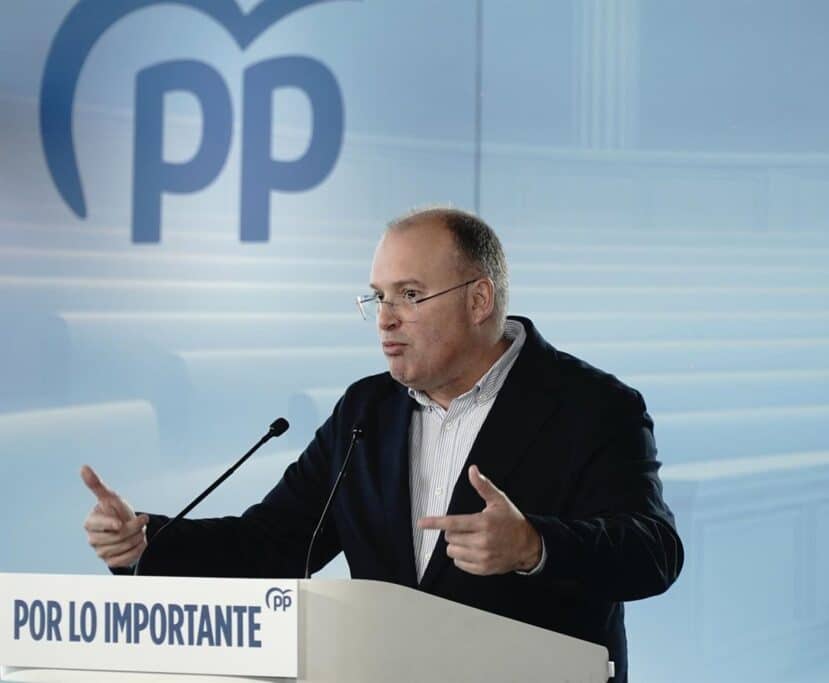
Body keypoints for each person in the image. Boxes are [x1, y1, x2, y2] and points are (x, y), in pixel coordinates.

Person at [81, 207, 683, 681]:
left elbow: (653, 551)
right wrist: (145, 542)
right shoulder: (366, 410)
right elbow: (272, 543)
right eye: (379, 296)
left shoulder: (591, 404)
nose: (386, 318)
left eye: (410, 294)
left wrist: (533, 545)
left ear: (479, 300)